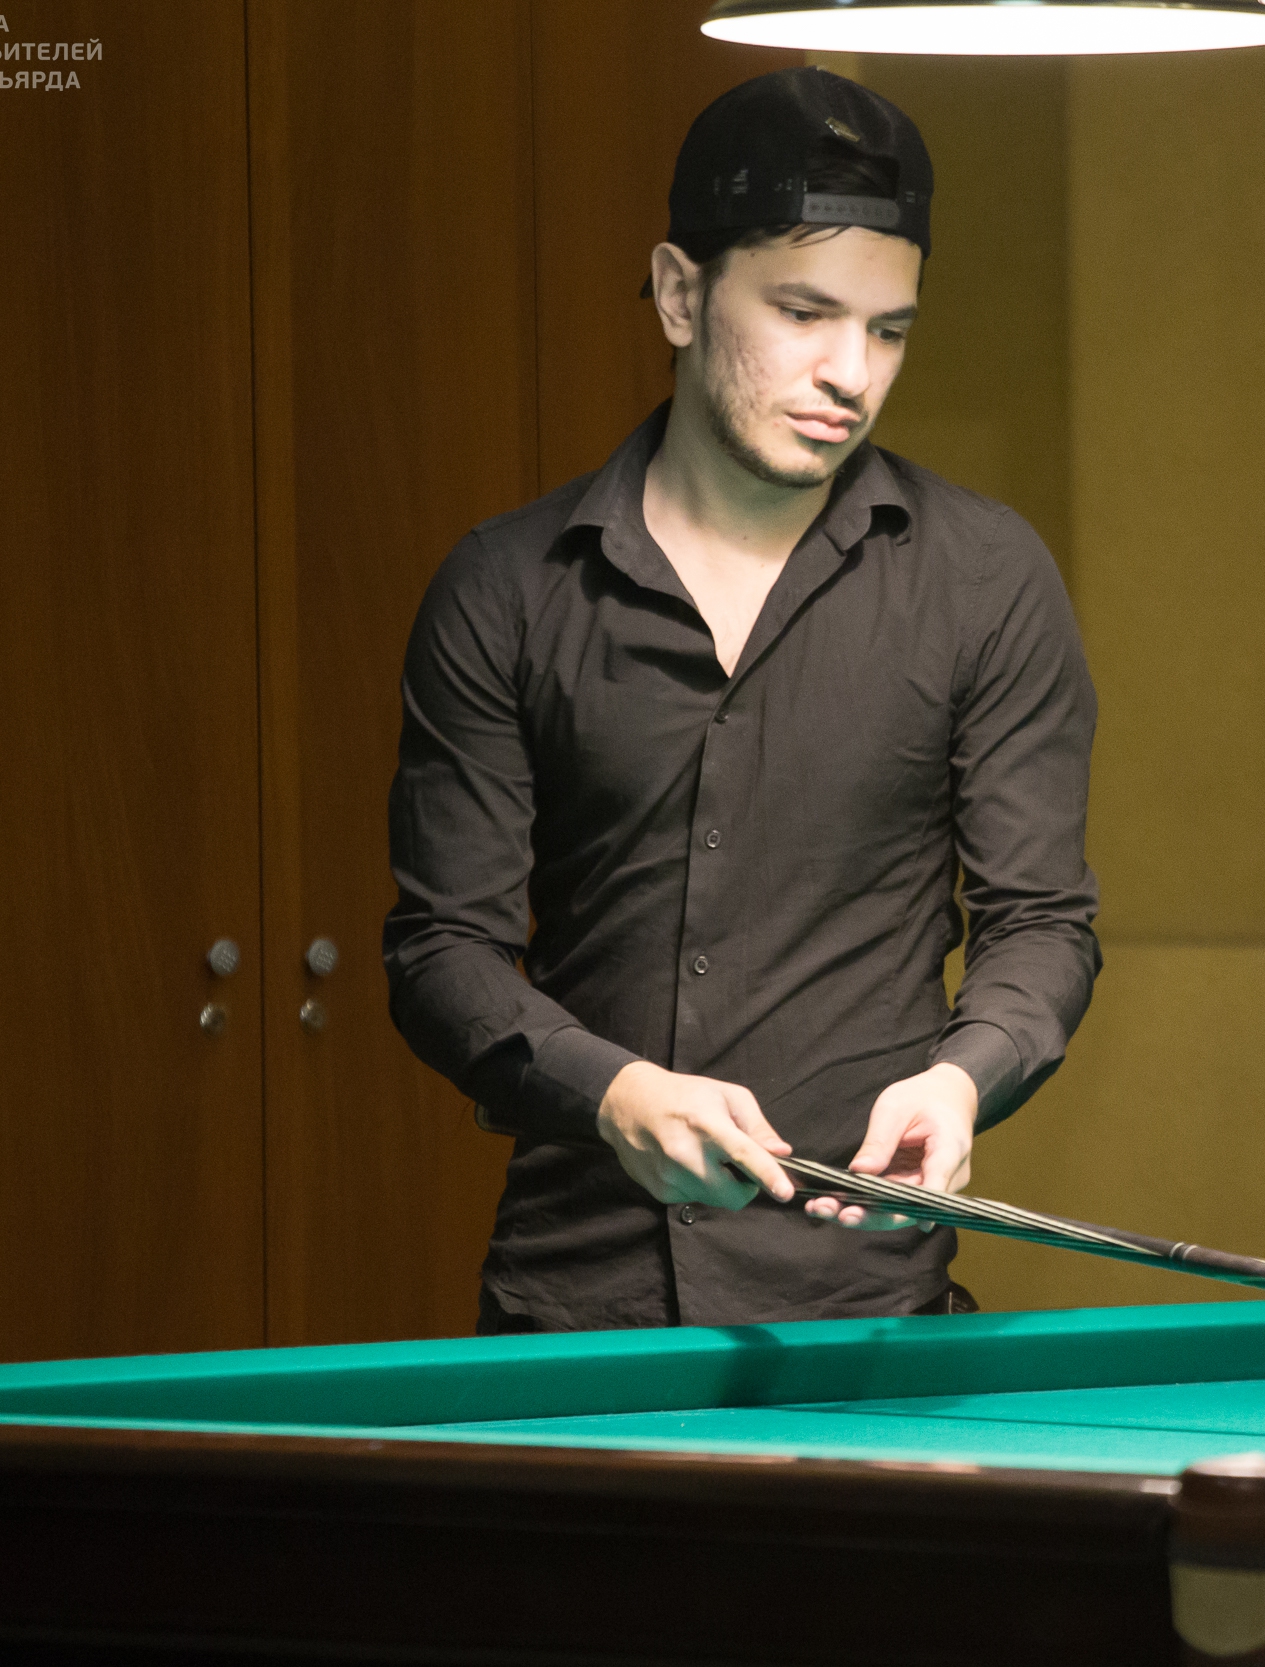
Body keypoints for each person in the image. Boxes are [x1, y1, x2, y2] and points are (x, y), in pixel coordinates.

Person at [383, 68, 1100, 1333]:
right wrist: (611, 1091)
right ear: (679, 293)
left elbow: (1041, 921)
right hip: (576, 1308)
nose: (850, 372)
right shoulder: (505, 587)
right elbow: (441, 949)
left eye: (888, 330)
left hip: (865, 1314)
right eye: (804, 312)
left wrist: (962, 1077)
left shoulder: (987, 579)